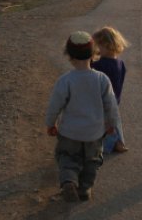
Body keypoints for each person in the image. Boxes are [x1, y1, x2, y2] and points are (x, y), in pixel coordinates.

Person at [45, 31, 119, 203]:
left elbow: (54, 105)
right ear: (94, 54)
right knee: (91, 161)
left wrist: (50, 123)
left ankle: (69, 181)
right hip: (94, 133)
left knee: (67, 157)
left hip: (69, 132)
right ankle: (85, 189)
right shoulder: (102, 79)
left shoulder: (65, 80)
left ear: (69, 56)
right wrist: (111, 124)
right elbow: (111, 105)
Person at [91, 26, 130, 154]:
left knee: (107, 125)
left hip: (103, 100)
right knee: (115, 121)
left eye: (99, 46)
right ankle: (119, 142)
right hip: (115, 98)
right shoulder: (120, 64)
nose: (97, 49)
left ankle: (112, 144)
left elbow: (88, 70)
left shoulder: (101, 65)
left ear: (106, 46)